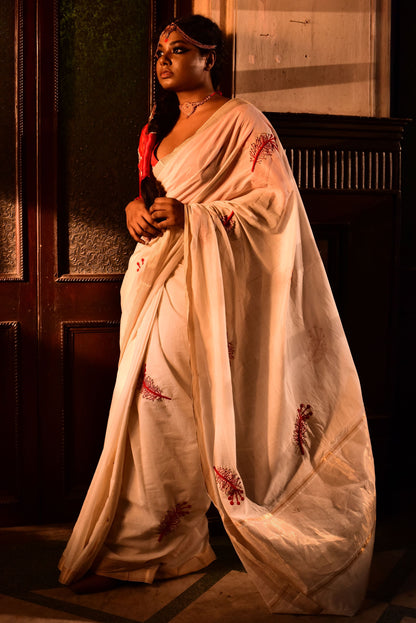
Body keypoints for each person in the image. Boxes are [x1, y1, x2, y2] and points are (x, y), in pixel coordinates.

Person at [58, 15, 376, 615]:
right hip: (150, 276)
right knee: (144, 413)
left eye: (180, 50)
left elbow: (275, 205)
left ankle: (144, 549)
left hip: (199, 282)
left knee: (164, 409)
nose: (164, 60)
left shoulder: (242, 121)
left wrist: (197, 220)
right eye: (160, 51)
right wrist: (136, 205)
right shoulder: (158, 129)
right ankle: (170, 545)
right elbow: (156, 194)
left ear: (211, 59)